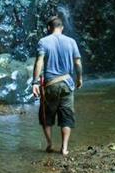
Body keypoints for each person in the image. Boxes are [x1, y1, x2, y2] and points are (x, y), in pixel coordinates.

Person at [32, 16, 82, 156]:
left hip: (50, 85)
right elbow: (78, 63)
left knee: (46, 117)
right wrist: (79, 79)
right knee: (66, 115)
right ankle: (64, 148)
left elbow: (39, 62)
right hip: (67, 84)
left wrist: (35, 82)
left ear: (49, 28)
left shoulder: (43, 41)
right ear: (62, 27)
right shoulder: (71, 41)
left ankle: (49, 144)